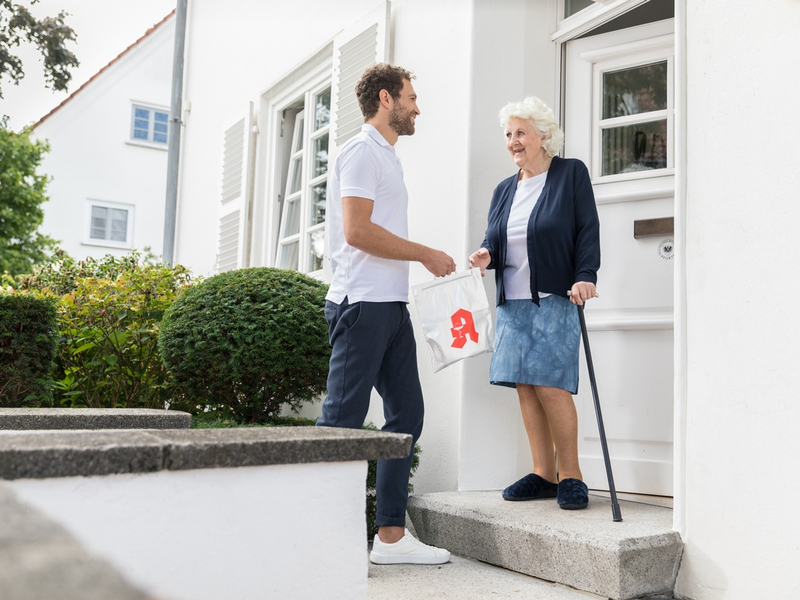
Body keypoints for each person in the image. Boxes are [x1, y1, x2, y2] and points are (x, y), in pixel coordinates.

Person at [317, 63, 454, 564]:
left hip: (392, 307)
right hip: (361, 307)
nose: (418, 107)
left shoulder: (389, 157)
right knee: (341, 426)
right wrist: (424, 253)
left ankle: (391, 538)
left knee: (406, 417)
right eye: (411, 97)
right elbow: (356, 231)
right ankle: (314, 535)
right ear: (385, 98)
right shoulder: (360, 153)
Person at [468, 96, 600, 511]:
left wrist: (585, 275)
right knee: (525, 385)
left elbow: (586, 228)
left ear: (543, 135)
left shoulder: (569, 174)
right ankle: (544, 473)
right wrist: (486, 253)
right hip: (514, 300)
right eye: (508, 135)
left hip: (555, 297)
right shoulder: (505, 189)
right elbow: (495, 236)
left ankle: (571, 474)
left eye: (520, 133)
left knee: (551, 385)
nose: (513, 142)